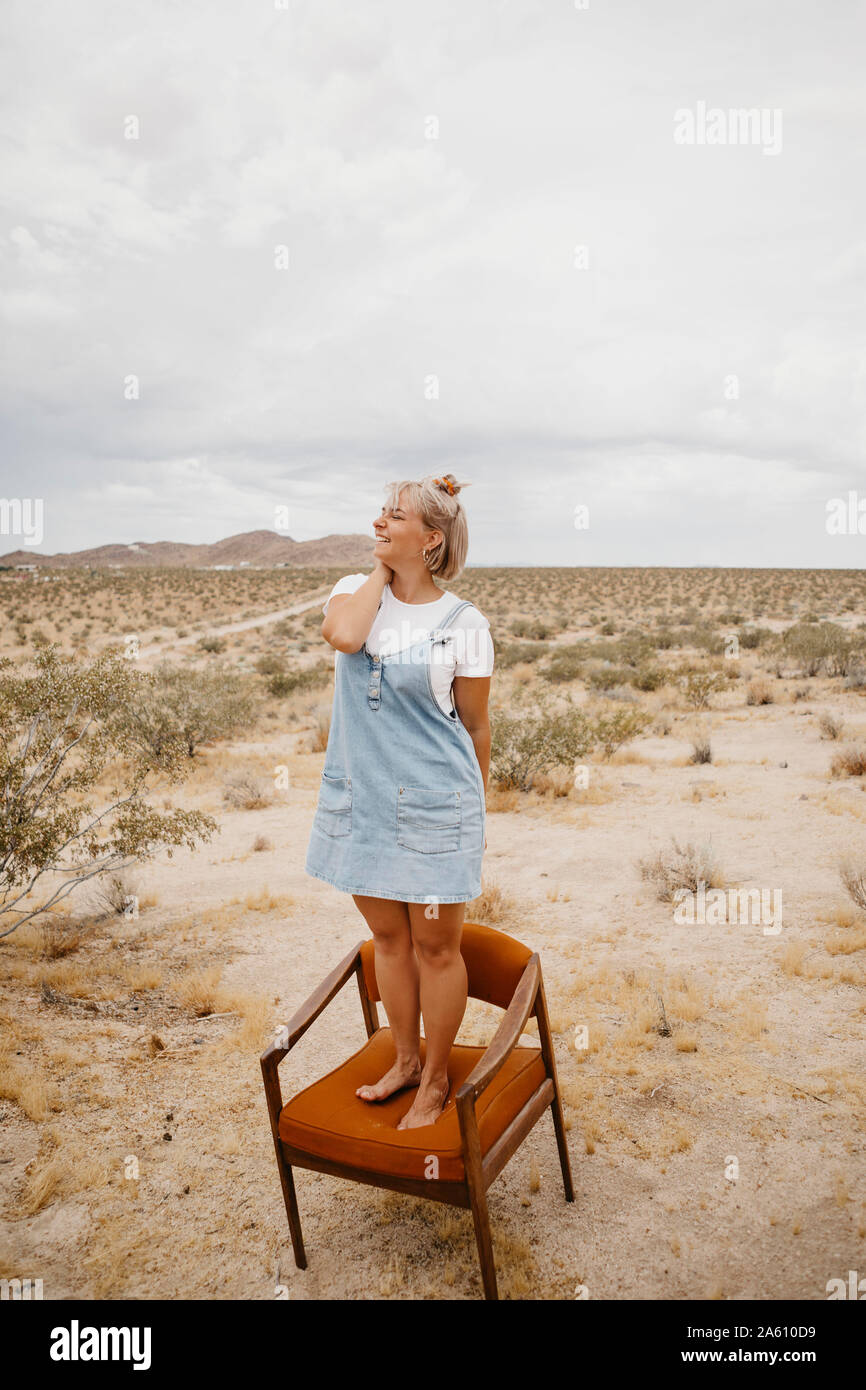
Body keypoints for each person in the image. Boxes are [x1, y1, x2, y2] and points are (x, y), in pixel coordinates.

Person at [304, 473, 493, 1128]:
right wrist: (383, 576)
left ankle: (438, 1081)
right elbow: (346, 638)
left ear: (431, 537)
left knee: (437, 948)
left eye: (396, 516)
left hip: (439, 806)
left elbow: (474, 728)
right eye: (379, 513)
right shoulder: (351, 597)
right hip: (365, 802)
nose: (379, 523)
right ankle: (405, 1060)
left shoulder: (466, 624)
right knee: (388, 938)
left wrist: (473, 812)